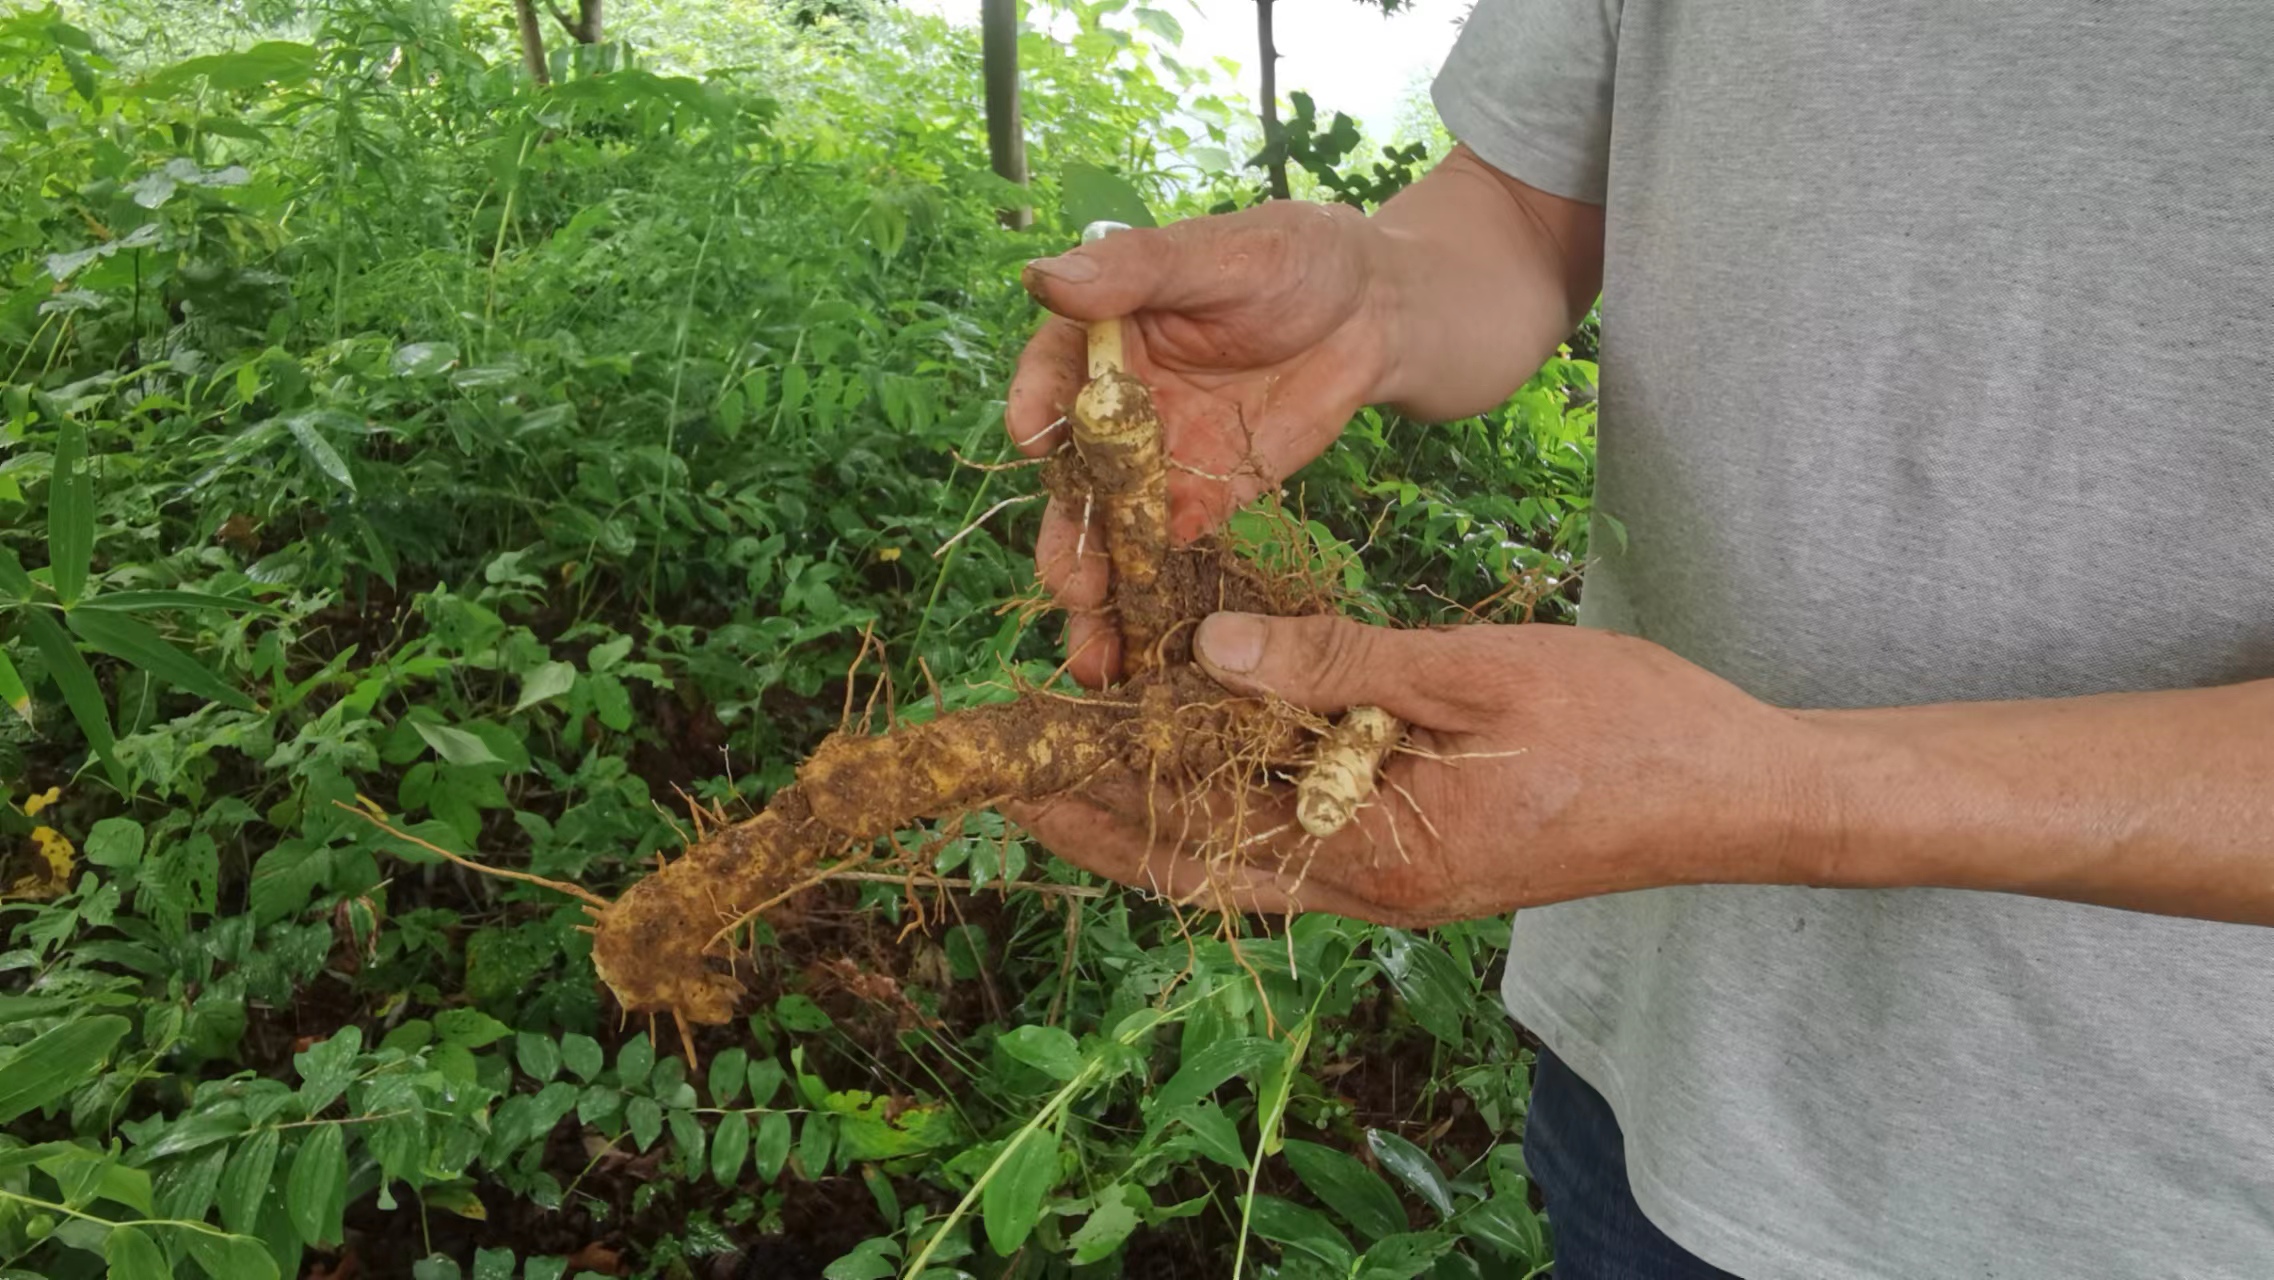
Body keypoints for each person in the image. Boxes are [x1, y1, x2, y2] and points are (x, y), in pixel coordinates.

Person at [1001, 1, 2274, 1277]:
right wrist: (1375, 299)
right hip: (1654, 1058)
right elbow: (1527, 206)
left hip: (2155, 1187)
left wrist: (1785, 796)